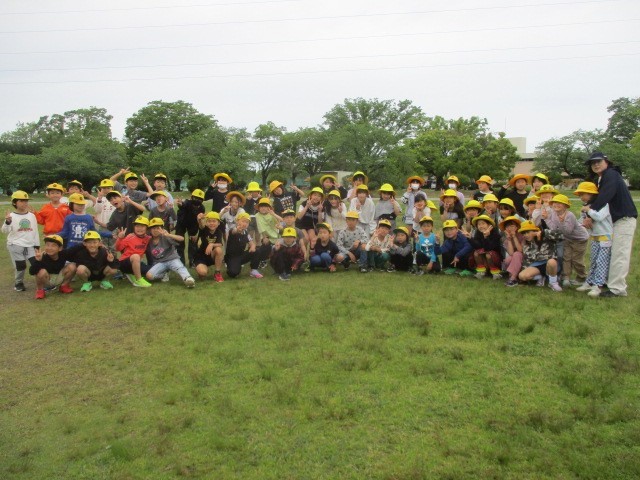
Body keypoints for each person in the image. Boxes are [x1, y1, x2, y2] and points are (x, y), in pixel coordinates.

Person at [584, 152, 637, 297]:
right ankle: (607, 281)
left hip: (624, 219)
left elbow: (605, 196)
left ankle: (617, 289)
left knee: (619, 254)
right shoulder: (602, 178)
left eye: (598, 161)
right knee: (611, 253)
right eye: (592, 163)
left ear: (606, 161)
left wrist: (590, 213)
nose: (595, 164)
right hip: (614, 221)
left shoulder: (611, 174)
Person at [574, 182, 612, 297]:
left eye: (583, 194)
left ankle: (598, 285)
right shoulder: (587, 207)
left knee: (601, 261)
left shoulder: (604, 204)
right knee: (593, 260)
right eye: (580, 195)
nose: (581, 197)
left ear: (591, 194)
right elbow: (581, 222)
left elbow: (599, 217)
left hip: (605, 236)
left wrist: (588, 210)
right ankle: (589, 282)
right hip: (595, 237)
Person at [547, 194, 589, 288]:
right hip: (567, 239)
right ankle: (566, 278)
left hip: (579, 239)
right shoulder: (553, 213)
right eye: (555, 202)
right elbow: (553, 228)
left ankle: (582, 277)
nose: (556, 205)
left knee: (576, 259)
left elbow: (567, 231)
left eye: (560, 203)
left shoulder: (570, 215)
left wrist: (562, 222)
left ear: (565, 206)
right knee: (566, 258)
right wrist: (546, 219)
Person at [3, 191, 39, 292]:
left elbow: (35, 230)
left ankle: (43, 282)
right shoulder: (11, 216)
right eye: (21, 201)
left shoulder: (31, 215)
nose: (24, 203)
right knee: (21, 265)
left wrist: (37, 245)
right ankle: (18, 283)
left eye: (26, 201)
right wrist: (8, 222)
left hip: (29, 245)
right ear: (14, 202)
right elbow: (4, 230)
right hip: (15, 244)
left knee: (36, 263)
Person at [144, 218, 195, 287]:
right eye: (153, 228)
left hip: (172, 259)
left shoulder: (165, 236)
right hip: (160, 262)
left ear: (162, 228)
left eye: (158, 228)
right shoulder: (149, 240)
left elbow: (181, 239)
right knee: (149, 276)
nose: (155, 230)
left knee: (180, 267)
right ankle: (163, 274)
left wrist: (168, 235)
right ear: (150, 230)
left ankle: (188, 279)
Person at [517, 221, 564, 292]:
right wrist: (526, 275)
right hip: (537, 266)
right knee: (522, 276)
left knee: (551, 261)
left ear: (534, 231)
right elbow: (527, 262)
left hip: (551, 263)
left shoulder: (547, 237)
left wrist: (543, 232)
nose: (526, 235)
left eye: (527, 232)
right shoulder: (527, 246)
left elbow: (560, 234)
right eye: (523, 233)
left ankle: (553, 283)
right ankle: (541, 277)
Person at [29, 234, 76, 299]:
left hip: (59, 277)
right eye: (47, 245)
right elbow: (31, 272)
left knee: (72, 266)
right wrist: (38, 261)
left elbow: (75, 252)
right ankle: (40, 290)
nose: (50, 248)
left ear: (60, 248)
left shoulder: (63, 253)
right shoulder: (42, 256)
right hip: (47, 280)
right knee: (41, 271)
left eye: (53, 245)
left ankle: (64, 286)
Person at [114, 215, 152, 288]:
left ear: (147, 228)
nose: (139, 228)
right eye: (137, 226)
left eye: (142, 226)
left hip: (137, 263)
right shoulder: (130, 237)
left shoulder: (147, 238)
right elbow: (118, 248)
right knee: (136, 256)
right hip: (124, 263)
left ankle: (131, 274)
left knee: (151, 271)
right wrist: (120, 238)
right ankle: (138, 280)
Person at [224, 212, 263, 279]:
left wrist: (253, 247)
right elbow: (233, 231)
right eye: (243, 221)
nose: (245, 224)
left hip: (241, 255)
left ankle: (254, 270)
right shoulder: (233, 230)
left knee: (256, 250)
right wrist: (237, 229)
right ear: (237, 221)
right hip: (232, 257)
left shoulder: (246, 232)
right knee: (233, 273)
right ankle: (232, 266)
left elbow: (252, 243)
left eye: (247, 222)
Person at [175, 189, 206, 267]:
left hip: (193, 225)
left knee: (193, 243)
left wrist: (195, 233)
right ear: (191, 197)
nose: (197, 200)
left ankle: (192, 261)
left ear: (202, 200)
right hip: (181, 223)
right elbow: (183, 205)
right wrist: (180, 204)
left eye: (200, 199)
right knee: (179, 243)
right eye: (195, 198)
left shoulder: (202, 208)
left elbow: (199, 219)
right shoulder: (187, 202)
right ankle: (181, 262)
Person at [468, 214, 503, 280]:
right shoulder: (478, 233)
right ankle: (481, 272)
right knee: (476, 252)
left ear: (489, 225)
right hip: (485, 261)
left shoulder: (495, 234)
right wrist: (470, 238)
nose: (481, 226)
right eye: (479, 224)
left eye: (483, 223)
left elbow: (489, 248)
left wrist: (486, 237)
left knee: (488, 254)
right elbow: (477, 247)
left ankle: (495, 273)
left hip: (495, 260)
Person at [194, 211, 225, 282]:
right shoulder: (203, 229)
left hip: (211, 255)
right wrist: (199, 219)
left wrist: (212, 244)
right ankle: (201, 268)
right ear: (206, 223)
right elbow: (201, 225)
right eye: (209, 221)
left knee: (218, 250)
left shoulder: (219, 232)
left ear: (218, 223)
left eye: (214, 221)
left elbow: (220, 244)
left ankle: (217, 273)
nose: (211, 223)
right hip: (201, 257)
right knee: (203, 273)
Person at [255, 197, 282, 266]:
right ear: (258, 208)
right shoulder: (257, 215)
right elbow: (260, 227)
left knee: (279, 250)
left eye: (265, 206)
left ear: (269, 208)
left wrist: (273, 214)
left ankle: (274, 258)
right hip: (266, 236)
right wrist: (264, 237)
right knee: (264, 247)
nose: (263, 208)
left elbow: (282, 221)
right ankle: (262, 260)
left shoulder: (271, 214)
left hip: (276, 237)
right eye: (261, 206)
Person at [93, 179, 118, 250]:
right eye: (103, 188)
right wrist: (99, 199)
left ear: (112, 188)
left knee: (113, 247)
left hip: (113, 227)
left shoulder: (115, 199)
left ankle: (112, 257)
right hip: (102, 226)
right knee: (103, 246)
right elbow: (97, 210)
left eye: (108, 188)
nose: (106, 190)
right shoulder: (100, 199)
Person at [499, 216, 524, 287]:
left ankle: (512, 278)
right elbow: (511, 253)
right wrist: (509, 240)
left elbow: (520, 250)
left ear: (517, 227)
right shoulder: (505, 239)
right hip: (514, 258)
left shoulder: (522, 235)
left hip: (524, 258)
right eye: (507, 226)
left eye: (512, 226)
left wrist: (514, 237)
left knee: (517, 254)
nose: (510, 228)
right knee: (508, 259)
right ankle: (514, 277)